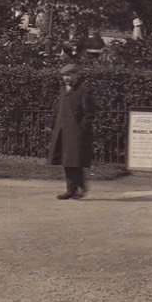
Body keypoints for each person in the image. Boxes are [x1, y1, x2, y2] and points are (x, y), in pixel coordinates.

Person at [48, 64, 95, 200]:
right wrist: (51, 125)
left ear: (76, 75)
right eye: (64, 76)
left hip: (76, 132)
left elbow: (89, 113)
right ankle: (71, 189)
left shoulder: (84, 90)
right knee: (67, 161)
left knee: (75, 161)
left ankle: (79, 188)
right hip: (62, 130)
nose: (66, 78)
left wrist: (82, 128)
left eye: (69, 75)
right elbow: (57, 109)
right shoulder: (63, 90)